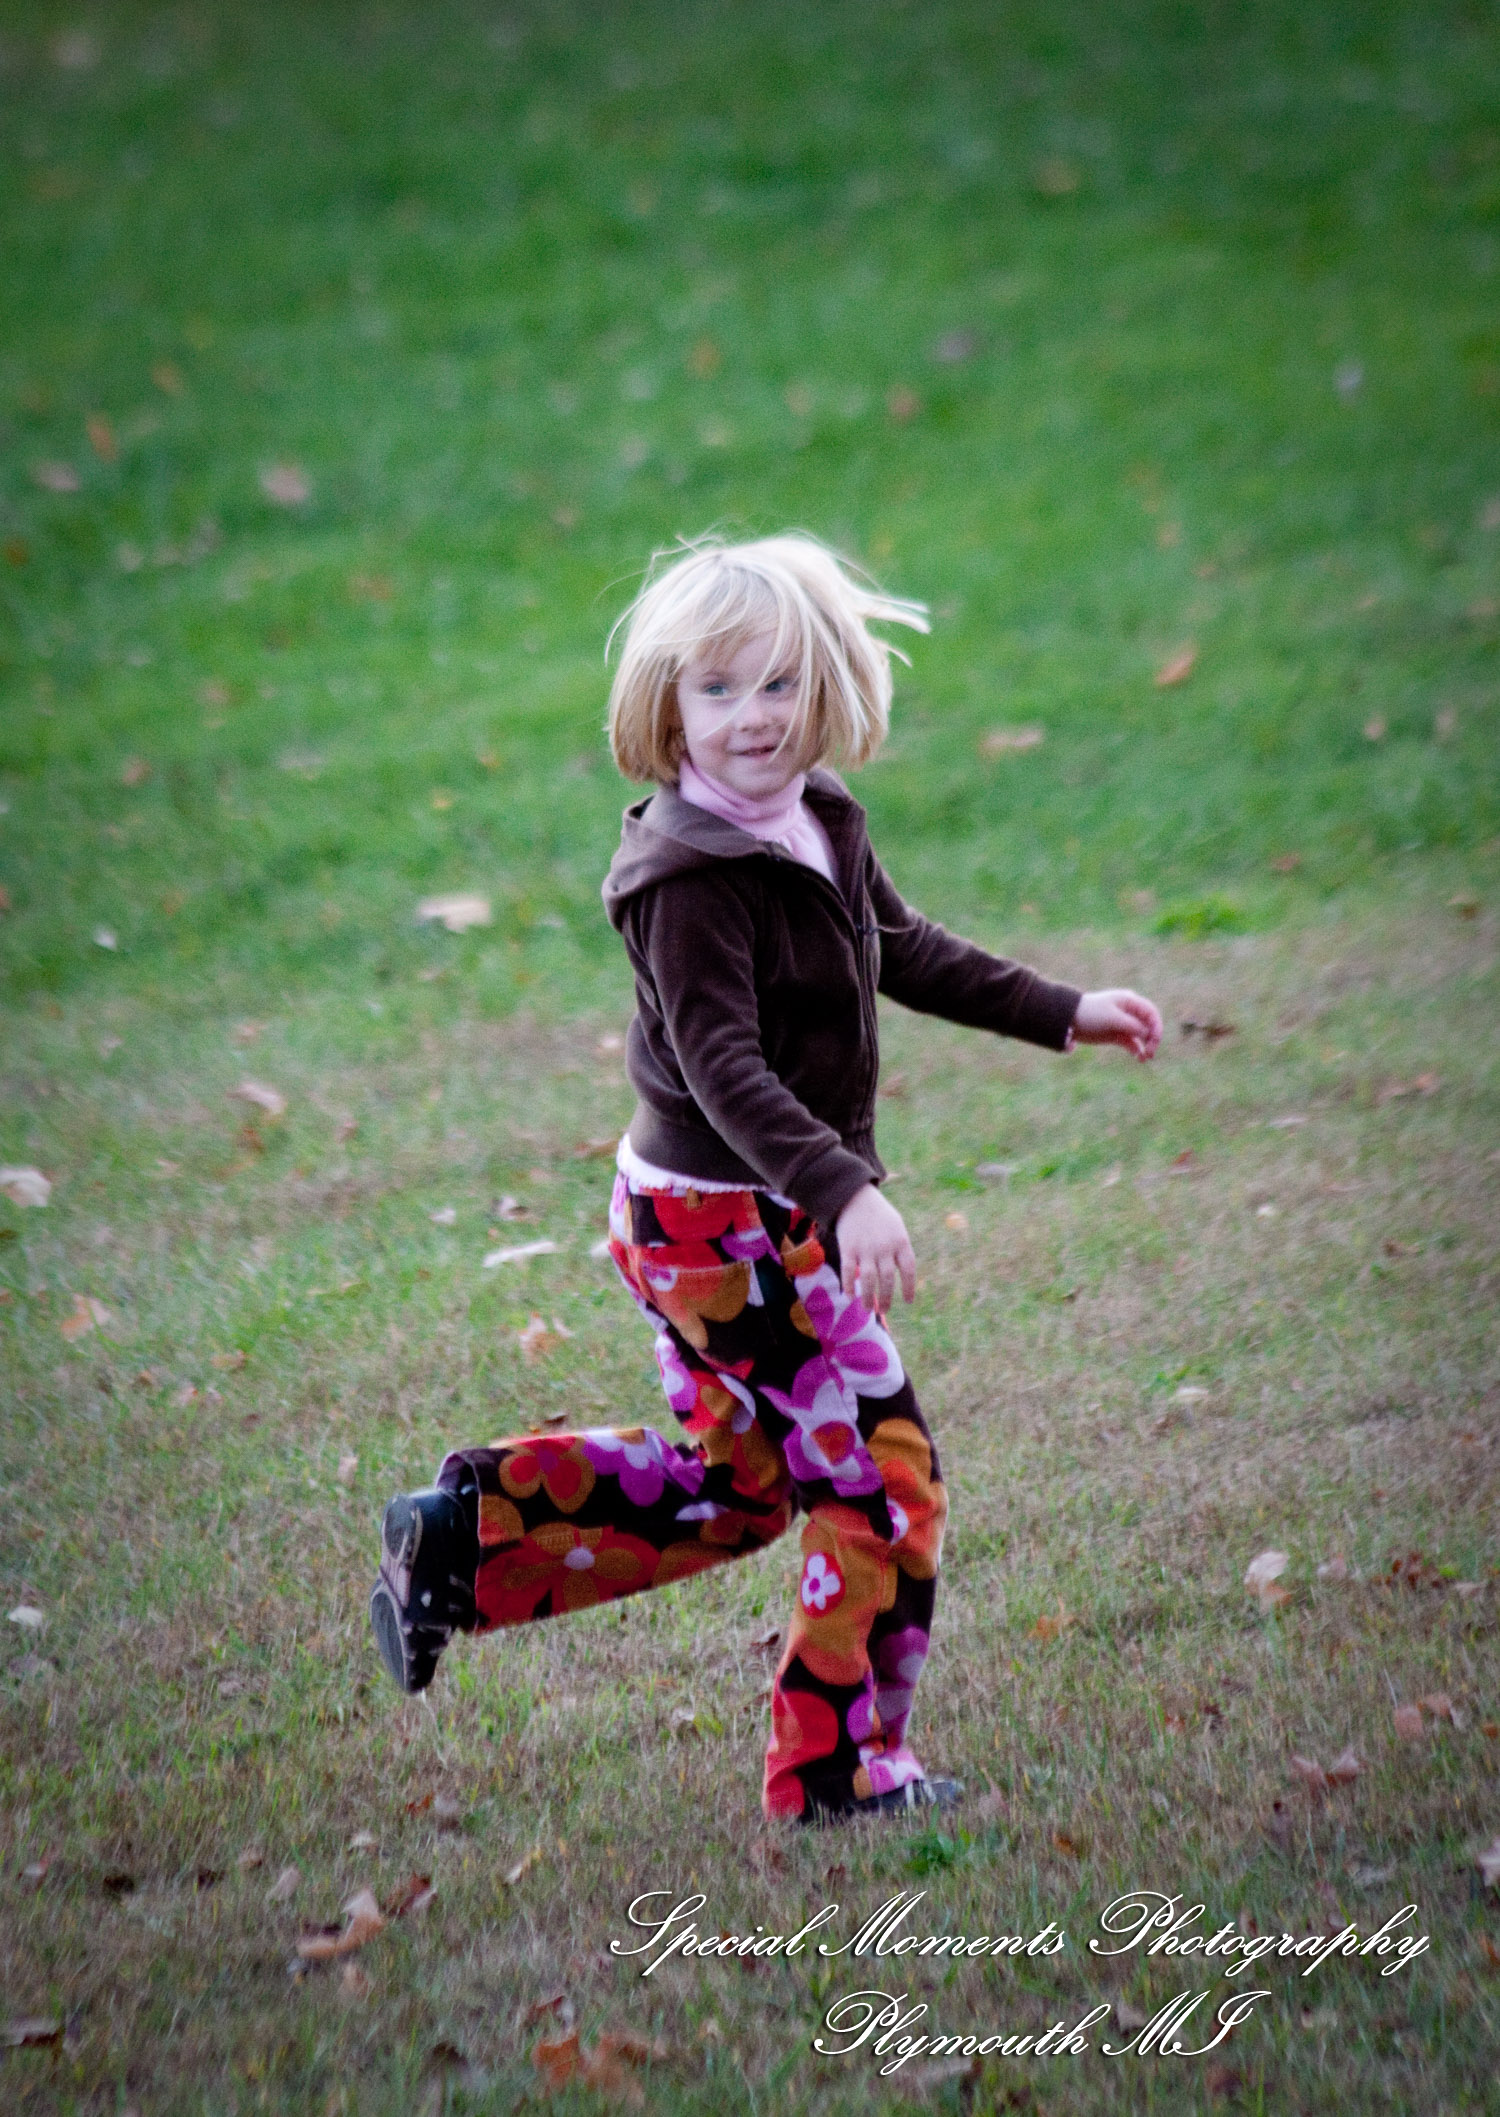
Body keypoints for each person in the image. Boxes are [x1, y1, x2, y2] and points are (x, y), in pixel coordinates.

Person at [369, 534, 1161, 1823]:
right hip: (725, 1225)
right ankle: (837, 1773)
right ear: (666, 707)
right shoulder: (686, 881)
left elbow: (901, 946)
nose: (753, 720)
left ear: (828, 687)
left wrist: (1063, 1011)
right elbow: (721, 1066)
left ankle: (468, 1540)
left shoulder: (819, 817)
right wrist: (845, 1189)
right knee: (882, 1478)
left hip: (719, 1218)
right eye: (718, 691)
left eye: (780, 686)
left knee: (737, 1485)